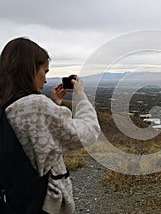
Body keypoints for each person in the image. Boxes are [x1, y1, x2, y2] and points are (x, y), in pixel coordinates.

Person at [0, 37, 100, 214]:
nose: (45, 80)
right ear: (30, 70)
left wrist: (54, 105)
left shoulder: (6, 104)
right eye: (44, 72)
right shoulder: (35, 107)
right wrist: (80, 96)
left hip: (14, 200)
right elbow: (89, 132)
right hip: (40, 205)